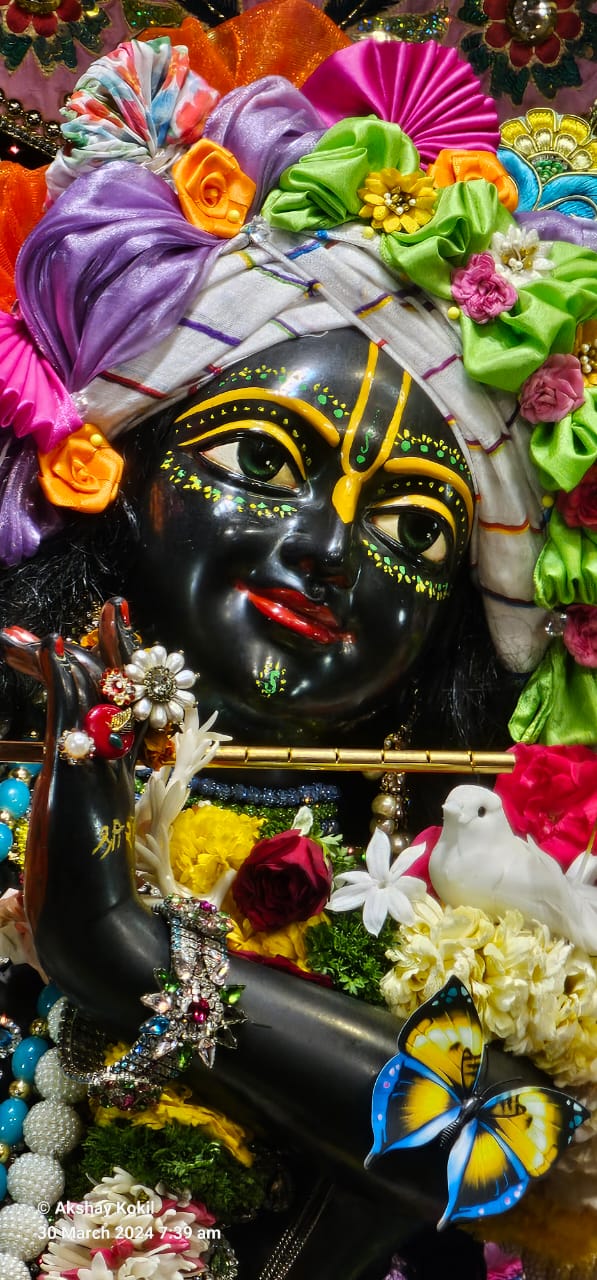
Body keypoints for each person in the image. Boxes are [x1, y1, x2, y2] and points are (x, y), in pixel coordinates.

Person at [1, 7, 597, 1278]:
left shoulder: (463, 904)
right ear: (123, 475)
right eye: (266, 463)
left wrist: (131, 949)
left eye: (412, 528)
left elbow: (522, 1148)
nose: (329, 550)